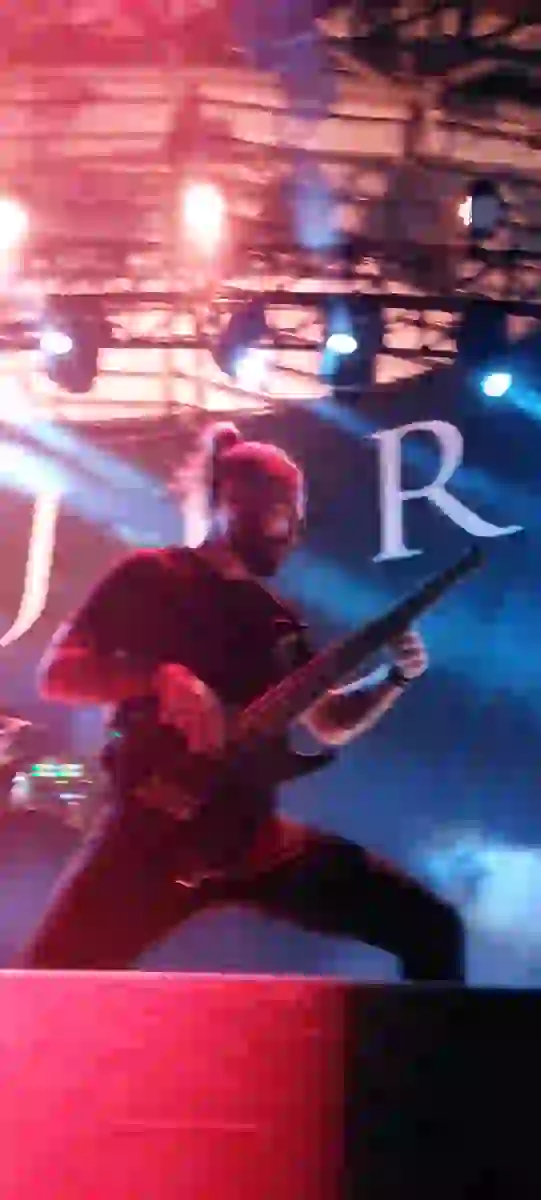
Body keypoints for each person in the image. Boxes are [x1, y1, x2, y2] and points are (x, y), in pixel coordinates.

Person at [18, 424, 464, 981]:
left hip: (254, 841)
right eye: (280, 515)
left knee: (433, 929)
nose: (290, 533)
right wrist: (158, 679)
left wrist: (395, 676)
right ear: (233, 504)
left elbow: (329, 721)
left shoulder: (276, 616)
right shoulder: (152, 576)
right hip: (152, 834)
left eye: (296, 518)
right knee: (48, 982)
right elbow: (59, 674)